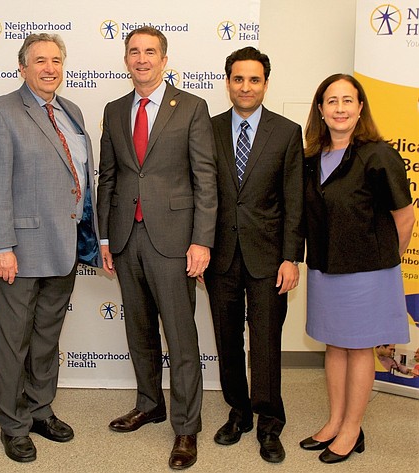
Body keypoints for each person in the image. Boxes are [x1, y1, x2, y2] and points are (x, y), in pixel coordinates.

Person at [0, 33, 100, 463]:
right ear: (22, 67)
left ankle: (40, 410)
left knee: (47, 337)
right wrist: (1, 246)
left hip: (64, 245)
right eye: (40, 60)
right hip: (20, 250)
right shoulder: (1, 111)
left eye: (56, 60)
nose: (50, 68)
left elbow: (81, 179)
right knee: (14, 341)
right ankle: (13, 425)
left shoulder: (71, 111)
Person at [97, 26, 217, 470]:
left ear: (164, 59)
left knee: (181, 336)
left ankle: (186, 427)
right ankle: (149, 404)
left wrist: (202, 240)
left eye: (150, 52)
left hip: (174, 239)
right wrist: (105, 238)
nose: (141, 59)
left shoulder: (191, 107)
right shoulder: (112, 110)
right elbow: (108, 177)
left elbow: (206, 179)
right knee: (140, 330)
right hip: (127, 238)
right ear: (125, 59)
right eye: (134, 52)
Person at [300, 73, 413, 464]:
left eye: (348, 101)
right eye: (332, 101)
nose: (340, 108)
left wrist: (383, 260)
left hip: (368, 272)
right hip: (325, 269)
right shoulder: (311, 157)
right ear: (320, 109)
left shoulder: (378, 153)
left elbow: (404, 215)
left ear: (360, 107)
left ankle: (352, 429)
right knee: (335, 345)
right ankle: (334, 422)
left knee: (359, 349)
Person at [204, 46, 304, 464]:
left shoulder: (286, 131)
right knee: (227, 339)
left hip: (268, 257)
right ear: (227, 82)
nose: (245, 87)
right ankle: (239, 411)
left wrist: (291, 257)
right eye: (238, 79)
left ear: (265, 83)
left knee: (265, 342)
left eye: (254, 79)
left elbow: (294, 199)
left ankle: (268, 420)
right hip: (220, 255)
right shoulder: (206, 129)